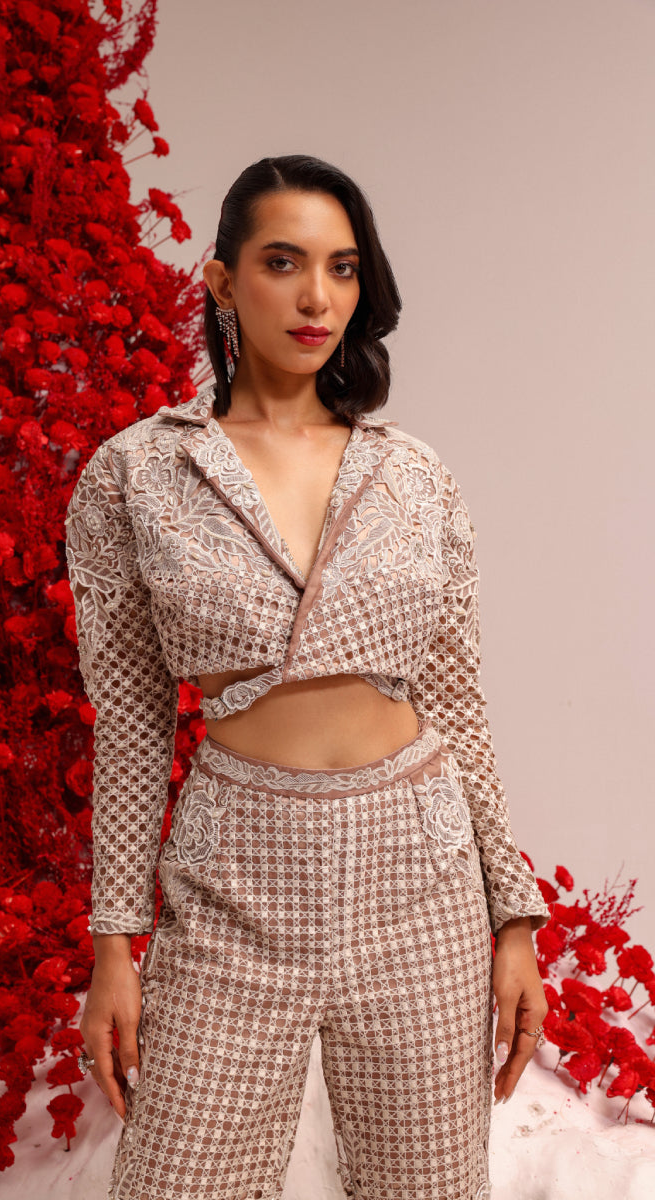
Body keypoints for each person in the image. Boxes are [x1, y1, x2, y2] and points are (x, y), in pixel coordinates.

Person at [64, 154, 551, 1200]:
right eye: (282, 262)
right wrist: (114, 944)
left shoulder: (412, 475)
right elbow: (134, 721)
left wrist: (511, 921)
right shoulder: (135, 473)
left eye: (341, 267)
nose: (316, 297)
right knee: (176, 1181)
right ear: (220, 279)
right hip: (234, 874)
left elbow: (457, 705)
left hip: (417, 878)